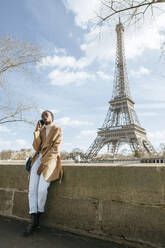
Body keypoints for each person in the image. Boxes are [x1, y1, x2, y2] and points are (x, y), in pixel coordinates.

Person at [23, 110, 63, 237]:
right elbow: (36, 147)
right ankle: (33, 221)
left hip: (49, 160)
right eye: (42, 116)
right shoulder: (41, 130)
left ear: (52, 117)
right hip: (37, 158)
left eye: (46, 115)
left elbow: (56, 149)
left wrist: (44, 163)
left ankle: (38, 216)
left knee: (42, 190)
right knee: (32, 190)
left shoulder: (57, 129)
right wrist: (36, 132)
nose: (44, 117)